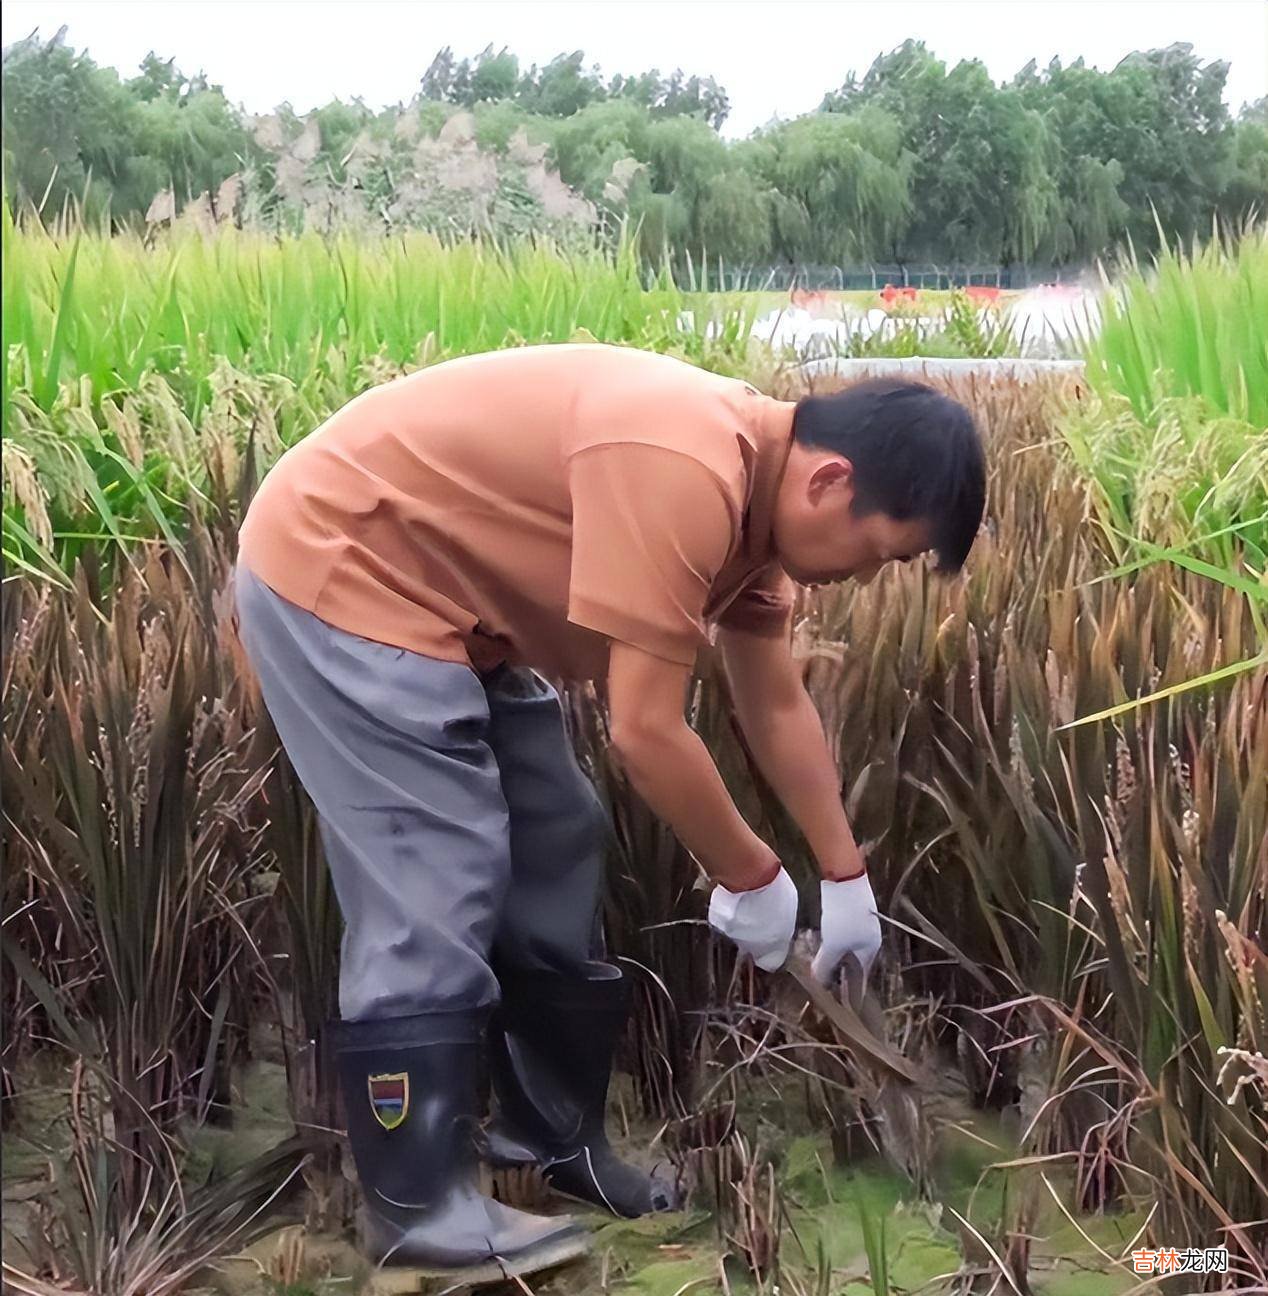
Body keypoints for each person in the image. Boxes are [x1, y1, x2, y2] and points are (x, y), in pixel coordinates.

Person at [231, 342, 986, 1278]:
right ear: (831, 481)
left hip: (456, 614)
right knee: (435, 860)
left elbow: (776, 700)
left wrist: (844, 874)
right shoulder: (688, 464)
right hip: (343, 571)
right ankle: (416, 1201)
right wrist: (750, 876)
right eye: (879, 553)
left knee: (558, 829)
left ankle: (550, 1140)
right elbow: (644, 729)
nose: (865, 579)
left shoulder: (760, 506)